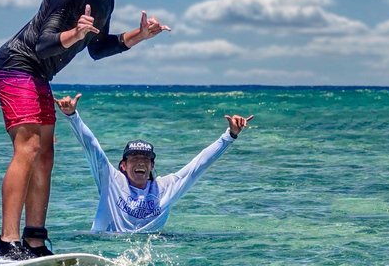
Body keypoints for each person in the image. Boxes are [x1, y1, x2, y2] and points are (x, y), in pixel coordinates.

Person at [0, 0, 171, 259]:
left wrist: (140, 35)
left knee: (45, 156)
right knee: (28, 149)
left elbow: (98, 48)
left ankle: (34, 240)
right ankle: (7, 241)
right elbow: (44, 43)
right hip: (16, 66)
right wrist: (74, 33)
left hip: (39, 76)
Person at [55, 93, 253, 233]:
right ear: (123, 165)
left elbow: (199, 164)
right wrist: (72, 117)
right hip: (105, 244)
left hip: (146, 249)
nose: (140, 162)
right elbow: (92, 147)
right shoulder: (110, 179)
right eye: (134, 159)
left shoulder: (165, 188)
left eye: (145, 159)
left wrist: (230, 136)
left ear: (151, 165)